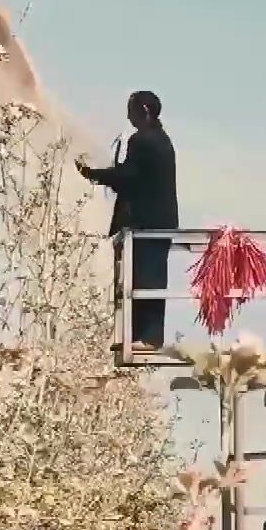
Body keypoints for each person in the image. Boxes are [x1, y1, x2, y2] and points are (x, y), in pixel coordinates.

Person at [79, 90, 178, 353]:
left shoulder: (143, 141)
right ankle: (143, 336)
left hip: (145, 222)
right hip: (160, 222)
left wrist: (93, 174)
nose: (128, 115)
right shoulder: (162, 140)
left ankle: (143, 337)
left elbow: (128, 176)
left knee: (141, 280)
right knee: (149, 279)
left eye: (131, 109)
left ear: (143, 111)